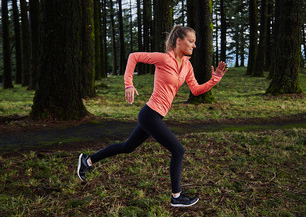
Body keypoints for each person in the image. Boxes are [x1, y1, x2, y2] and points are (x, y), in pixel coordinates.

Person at [77, 25, 228, 207]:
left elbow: (195, 90)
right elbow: (134, 57)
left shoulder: (187, 65)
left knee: (127, 147)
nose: (194, 46)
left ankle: (88, 160)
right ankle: (176, 196)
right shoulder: (164, 59)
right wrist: (128, 84)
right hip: (150, 115)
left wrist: (215, 79)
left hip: (156, 116)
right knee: (178, 150)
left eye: (194, 42)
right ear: (179, 41)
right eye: (191, 41)